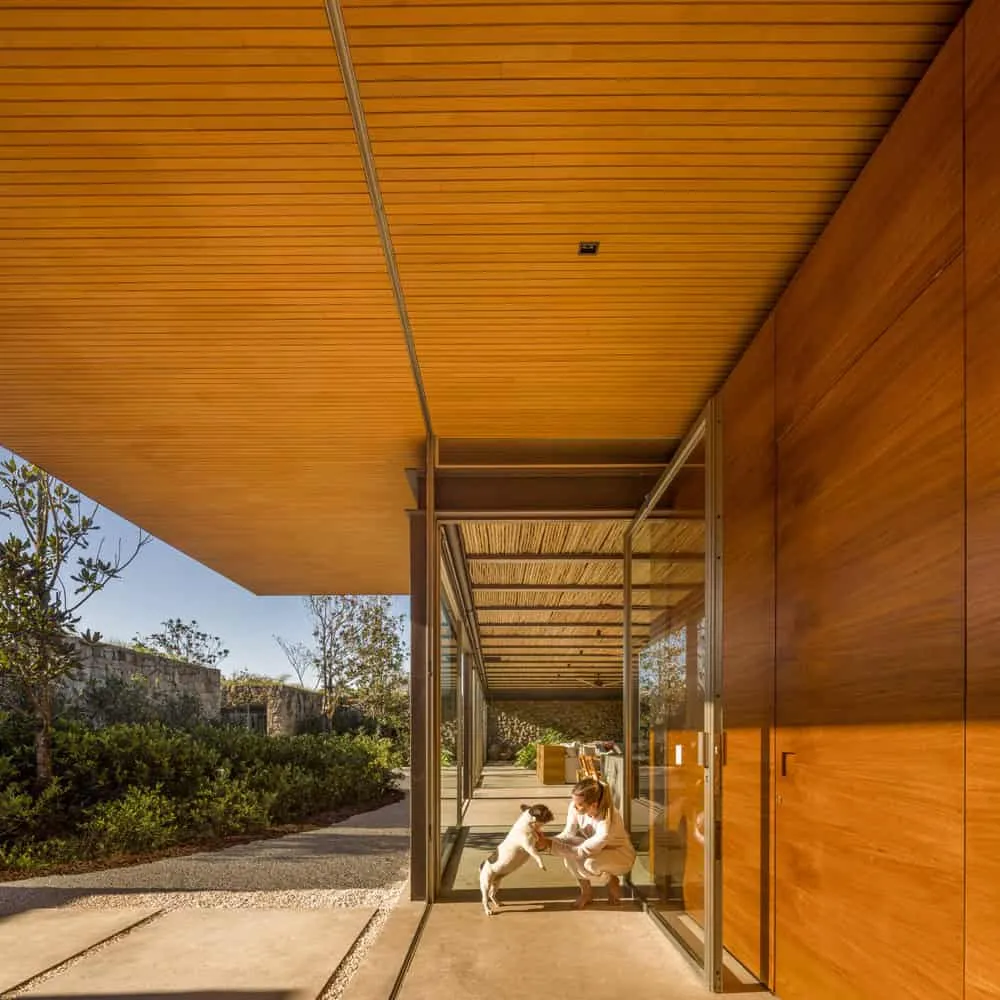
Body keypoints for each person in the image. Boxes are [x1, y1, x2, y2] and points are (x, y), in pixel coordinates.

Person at [537, 776, 636, 909]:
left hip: (620, 855)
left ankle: (611, 880)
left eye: (579, 805)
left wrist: (549, 844)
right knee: (569, 852)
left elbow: (581, 851)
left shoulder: (607, 822)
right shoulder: (575, 806)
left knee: (590, 864)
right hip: (596, 850)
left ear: (593, 805)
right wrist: (544, 841)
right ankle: (586, 893)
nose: (574, 807)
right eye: (574, 802)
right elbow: (568, 835)